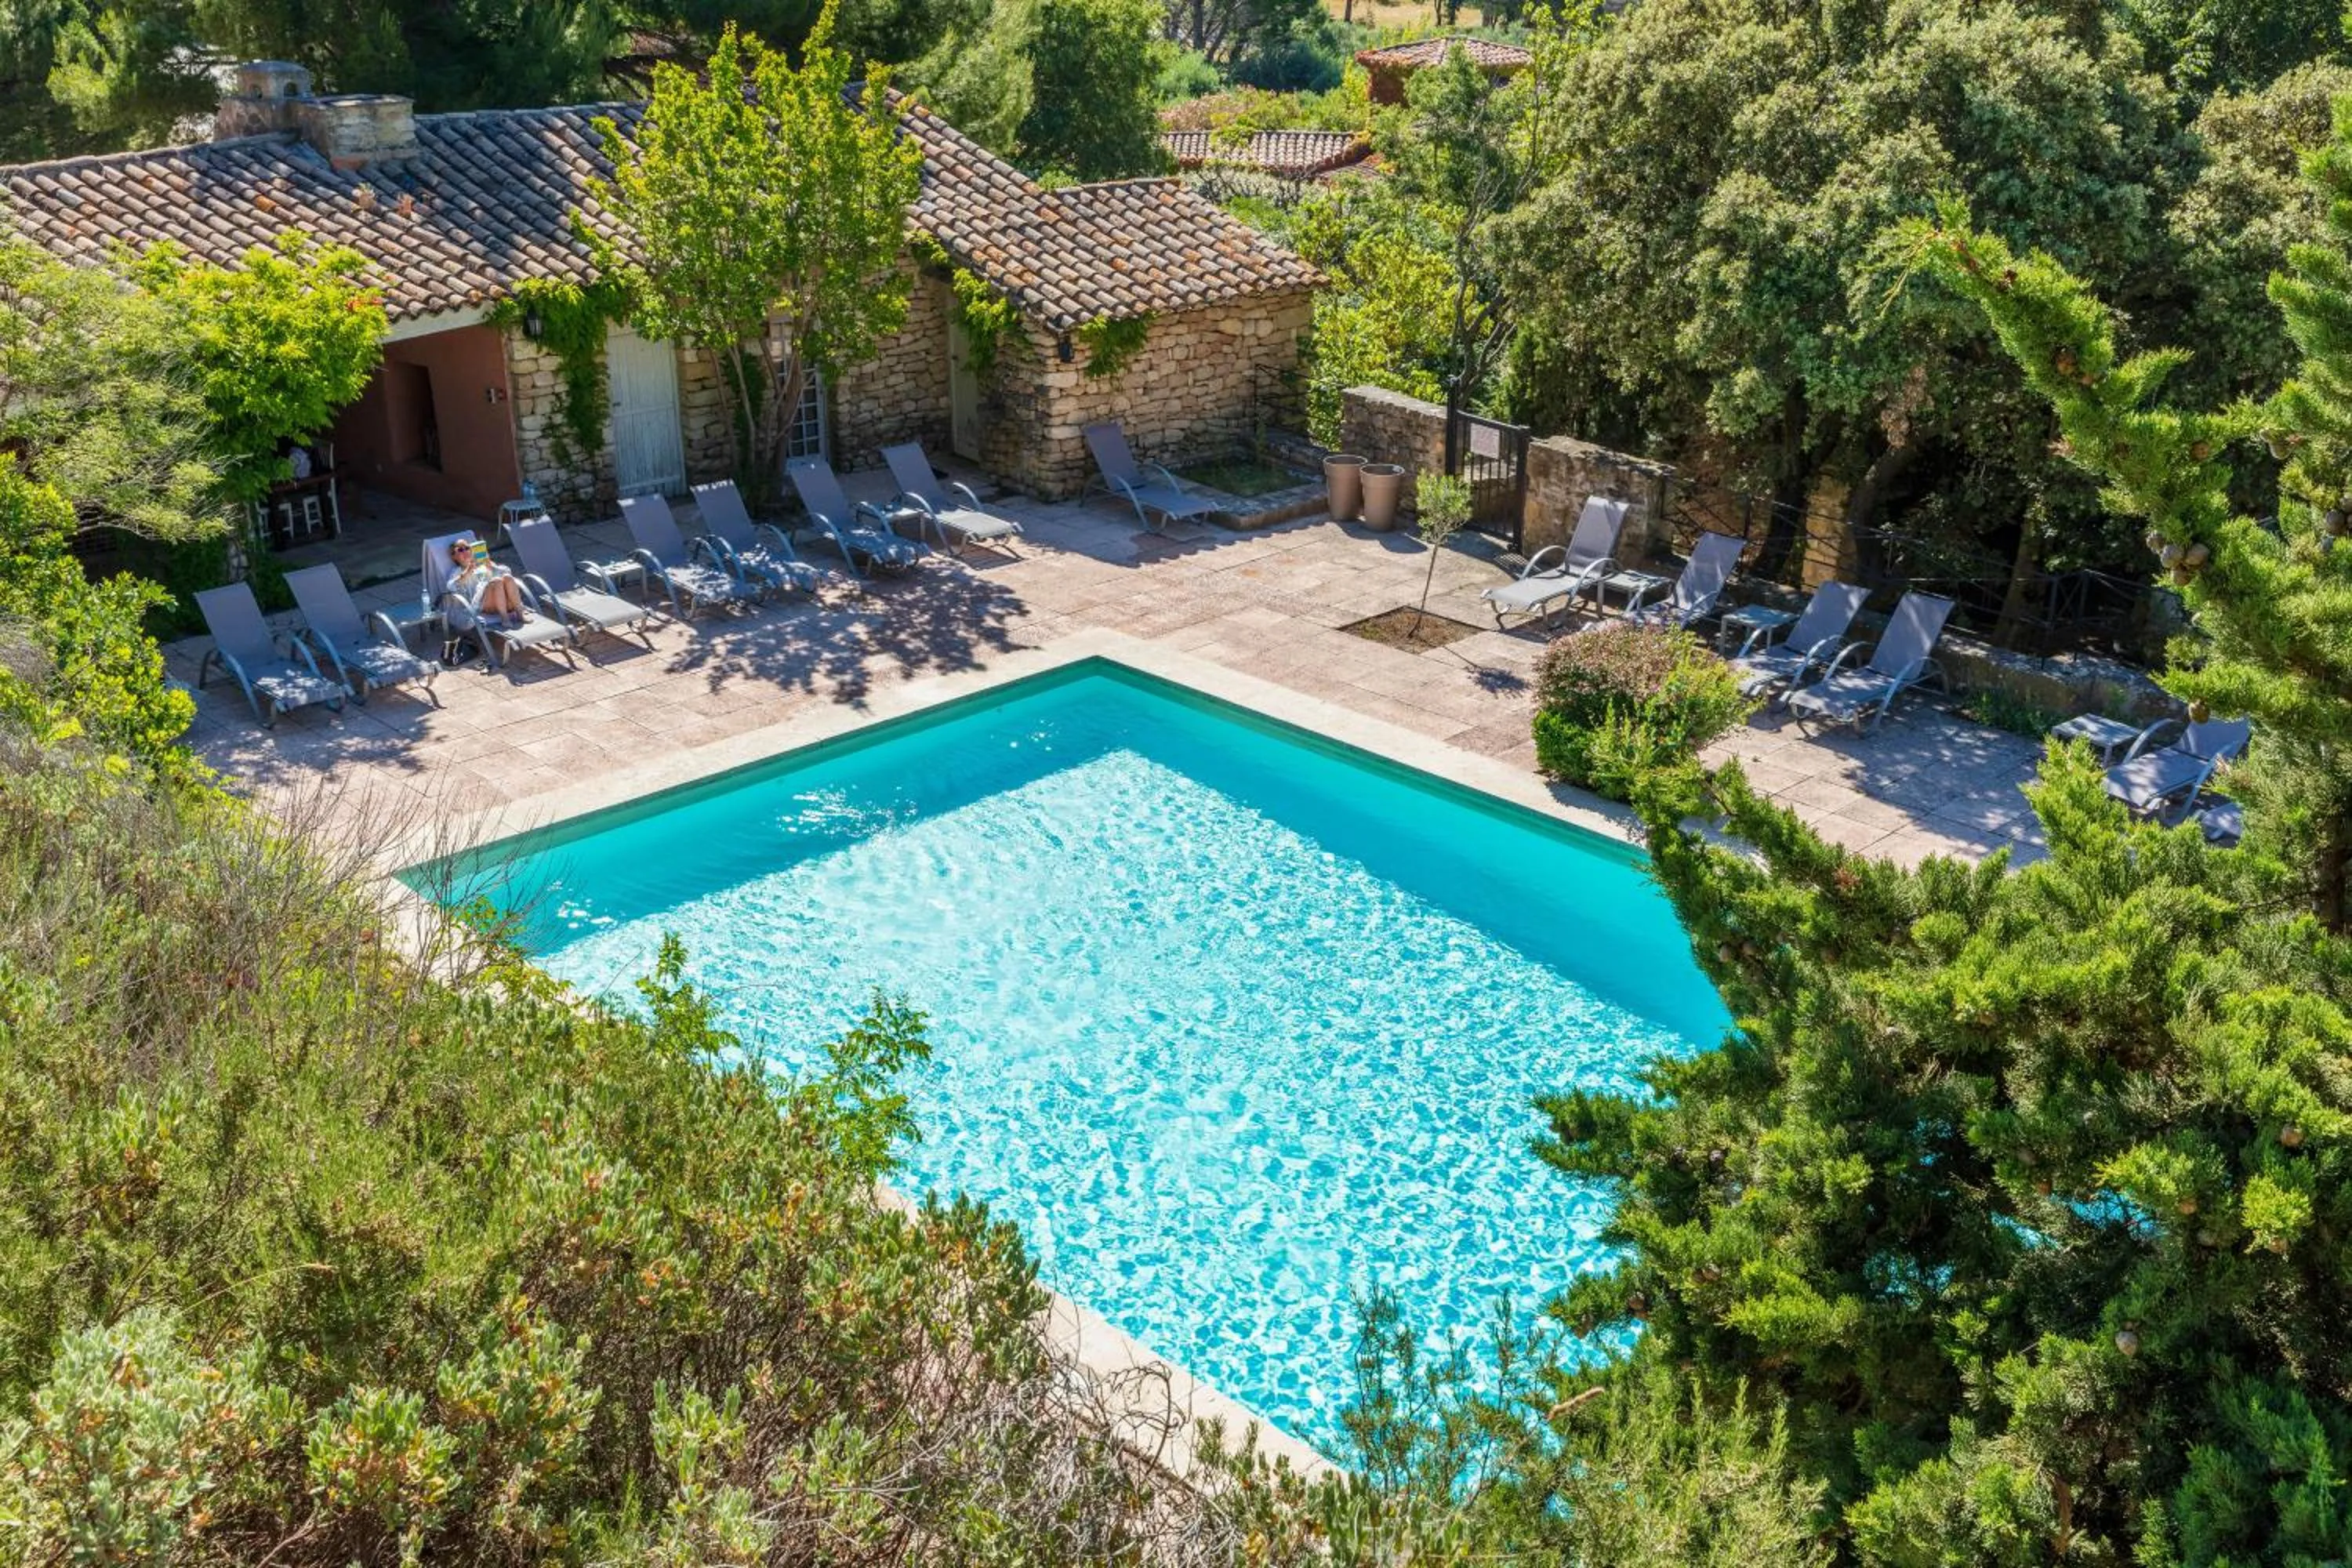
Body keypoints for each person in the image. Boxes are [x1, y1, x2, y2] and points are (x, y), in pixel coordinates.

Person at [445, 536, 527, 626]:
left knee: (507, 577)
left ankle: (520, 614)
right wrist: (467, 572)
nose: (465, 551)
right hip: (485, 606)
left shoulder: (483, 564)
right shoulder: (457, 571)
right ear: (454, 557)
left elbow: (508, 572)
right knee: (497, 581)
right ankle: (505, 618)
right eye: (460, 550)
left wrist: (492, 566)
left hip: (507, 603)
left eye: (467, 548)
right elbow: (451, 586)